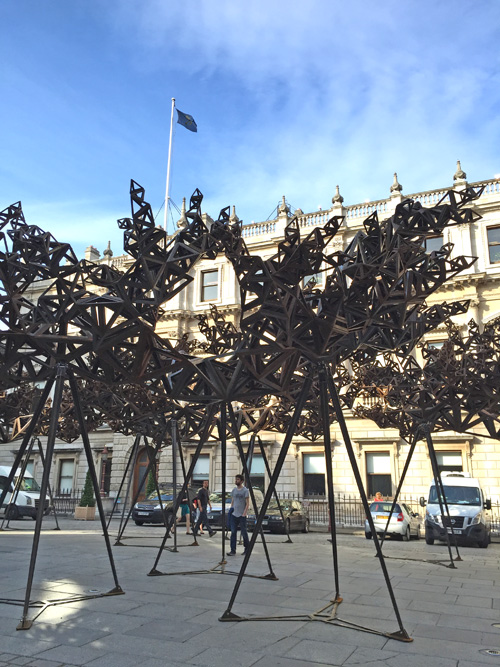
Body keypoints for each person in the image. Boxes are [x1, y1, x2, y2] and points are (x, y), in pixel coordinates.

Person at [227, 474, 250, 556]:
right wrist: (231, 508)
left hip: (242, 515)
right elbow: (232, 500)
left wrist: (244, 513)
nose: (236, 481)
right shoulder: (234, 490)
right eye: (236, 479)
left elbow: (247, 503)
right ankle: (232, 550)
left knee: (244, 532)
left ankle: (247, 549)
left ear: (241, 481)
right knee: (233, 532)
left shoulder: (245, 490)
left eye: (237, 479)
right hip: (234, 514)